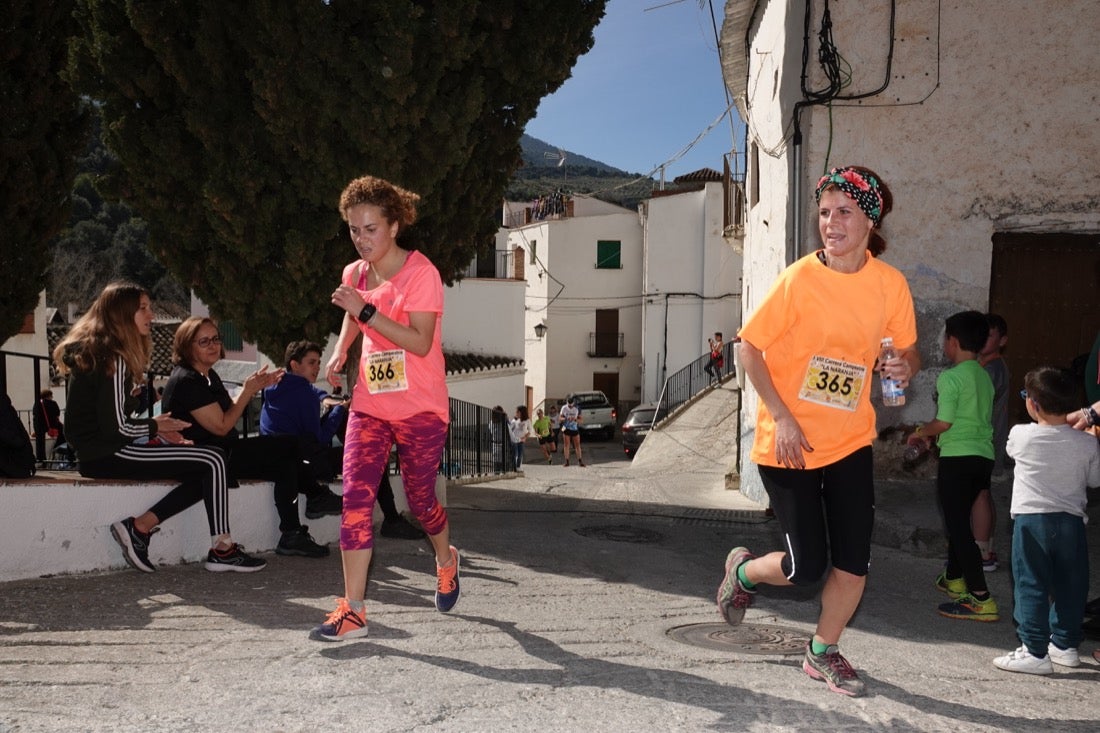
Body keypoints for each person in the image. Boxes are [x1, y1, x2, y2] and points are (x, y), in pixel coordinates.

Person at [715, 166, 918, 697]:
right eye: (824, 212)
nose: (831, 222)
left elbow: (906, 347)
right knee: (807, 570)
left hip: (850, 440)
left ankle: (822, 651)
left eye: (844, 211)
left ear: (870, 219)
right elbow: (748, 348)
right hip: (791, 442)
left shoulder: (889, 284)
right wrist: (782, 415)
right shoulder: (800, 279)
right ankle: (744, 574)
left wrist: (904, 367)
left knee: (852, 560)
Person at [311, 174, 458, 641]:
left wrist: (365, 313)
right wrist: (341, 348)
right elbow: (353, 309)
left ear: (394, 225)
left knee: (421, 501)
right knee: (356, 500)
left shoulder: (421, 275)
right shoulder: (354, 274)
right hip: (370, 405)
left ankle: (445, 557)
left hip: (419, 408)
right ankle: (353, 609)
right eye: (354, 229)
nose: (361, 239)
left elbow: (418, 341)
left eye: (370, 228)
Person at [53, 282, 265, 573]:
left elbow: (108, 421)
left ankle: (139, 528)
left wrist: (159, 429)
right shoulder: (114, 358)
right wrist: (155, 426)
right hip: (107, 453)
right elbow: (116, 429)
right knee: (213, 458)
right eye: (143, 308)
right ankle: (223, 549)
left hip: (101, 451)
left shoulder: (102, 352)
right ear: (122, 313)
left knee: (206, 470)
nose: (151, 314)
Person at [162, 317, 337, 559]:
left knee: (285, 463)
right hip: (209, 457)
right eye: (204, 341)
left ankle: (291, 533)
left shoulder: (207, 375)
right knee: (288, 444)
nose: (213, 345)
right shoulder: (187, 380)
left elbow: (227, 414)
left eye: (215, 339)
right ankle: (316, 495)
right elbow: (222, 426)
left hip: (223, 450)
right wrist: (248, 390)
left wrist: (251, 389)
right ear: (186, 346)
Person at [991, 367, 1100, 674]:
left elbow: (1012, 450)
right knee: (1072, 585)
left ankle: (1034, 650)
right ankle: (1065, 646)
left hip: (1031, 522)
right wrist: (1084, 435)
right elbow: (1094, 480)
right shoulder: (1087, 442)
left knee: (1031, 583)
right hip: (1072, 524)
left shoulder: (1020, 435)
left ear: (1033, 404)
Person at [260, 340, 423, 540]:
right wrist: (339, 408)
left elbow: (316, 395)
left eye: (319, 362)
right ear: (295, 365)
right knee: (372, 456)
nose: (317, 367)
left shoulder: (276, 387)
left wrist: (330, 399)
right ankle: (391, 519)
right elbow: (320, 438)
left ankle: (356, 453)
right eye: (312, 362)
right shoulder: (304, 394)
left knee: (352, 431)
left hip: (279, 456)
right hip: (305, 460)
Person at [907, 311, 998, 622]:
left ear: (954, 342)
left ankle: (980, 597)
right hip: (982, 457)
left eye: (945, 338)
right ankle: (954, 578)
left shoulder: (950, 377)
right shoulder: (984, 376)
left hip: (957, 459)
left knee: (958, 527)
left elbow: (944, 422)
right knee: (959, 519)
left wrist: (919, 432)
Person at [973, 313, 1009, 572]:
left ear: (1003, 340)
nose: (985, 339)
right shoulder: (985, 368)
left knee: (979, 494)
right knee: (983, 492)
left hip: (983, 440)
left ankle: (982, 553)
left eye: (991, 335)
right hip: (986, 440)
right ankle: (987, 548)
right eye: (981, 333)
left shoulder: (993, 370)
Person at [32, 389, 64, 464]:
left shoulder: (38, 403)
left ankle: (41, 459)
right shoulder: (53, 403)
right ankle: (56, 448)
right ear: (49, 396)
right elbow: (57, 413)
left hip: (40, 425)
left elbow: (35, 413)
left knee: (40, 443)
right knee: (63, 433)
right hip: (53, 425)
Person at [559, 396, 585, 467]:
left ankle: (580, 461)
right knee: (566, 445)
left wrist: (575, 419)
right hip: (565, 427)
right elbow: (560, 418)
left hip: (574, 428)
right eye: (568, 405)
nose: (570, 407)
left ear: (573, 403)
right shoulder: (564, 408)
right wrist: (566, 418)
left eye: (571, 405)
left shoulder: (577, 409)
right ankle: (567, 461)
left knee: (577, 445)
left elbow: (581, 420)